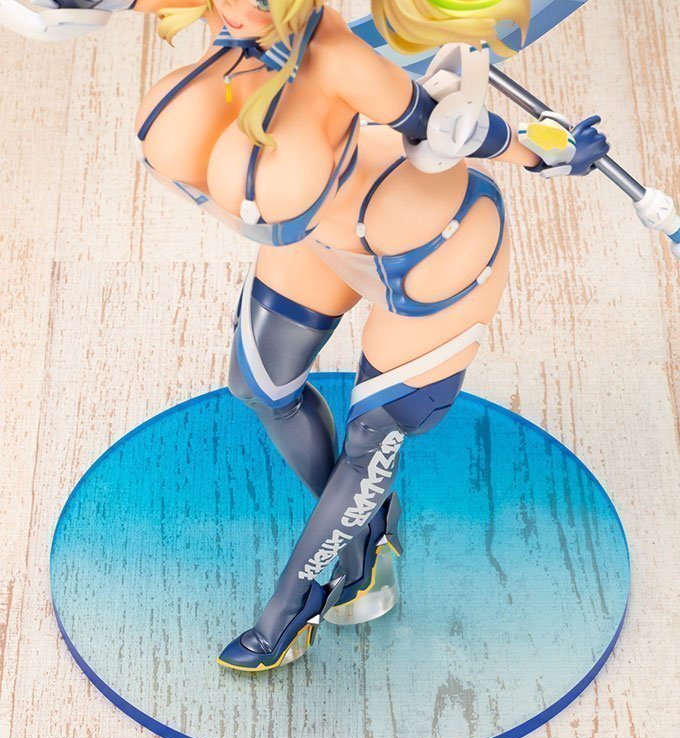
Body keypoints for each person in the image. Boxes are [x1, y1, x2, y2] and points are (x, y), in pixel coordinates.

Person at [0, 0, 609, 671]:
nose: (239, 6)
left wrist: (549, 153)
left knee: (373, 438)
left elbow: (451, 126)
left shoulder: (334, 52)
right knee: (261, 388)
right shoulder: (230, 21)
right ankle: (367, 526)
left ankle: (289, 611)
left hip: (437, 250)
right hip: (325, 240)